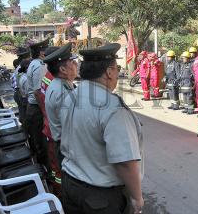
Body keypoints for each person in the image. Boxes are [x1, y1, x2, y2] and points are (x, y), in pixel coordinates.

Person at [60, 43, 144, 214]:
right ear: (109, 72)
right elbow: (125, 162)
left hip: (71, 185)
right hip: (99, 199)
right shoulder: (112, 108)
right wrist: (137, 197)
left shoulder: (72, 95)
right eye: (117, 68)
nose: (118, 73)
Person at [42, 43, 78, 196]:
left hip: (62, 142)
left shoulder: (61, 84)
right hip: (66, 145)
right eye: (72, 62)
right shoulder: (62, 92)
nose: (76, 64)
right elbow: (74, 125)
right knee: (70, 183)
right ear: (63, 69)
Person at [25, 38, 49, 167]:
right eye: (45, 50)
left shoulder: (35, 64)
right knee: (41, 141)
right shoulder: (39, 66)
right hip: (36, 109)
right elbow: (38, 92)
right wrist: (45, 112)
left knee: (38, 139)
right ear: (41, 53)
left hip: (34, 107)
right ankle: (44, 169)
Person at [11, 46, 30, 123]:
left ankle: (25, 130)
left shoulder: (19, 68)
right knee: (25, 116)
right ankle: (26, 131)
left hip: (19, 94)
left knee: (22, 114)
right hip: (21, 95)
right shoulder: (21, 69)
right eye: (29, 56)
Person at [16, 58, 31, 125]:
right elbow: (28, 93)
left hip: (23, 97)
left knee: (25, 116)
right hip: (26, 99)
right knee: (28, 118)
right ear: (27, 68)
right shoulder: (26, 79)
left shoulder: (21, 76)